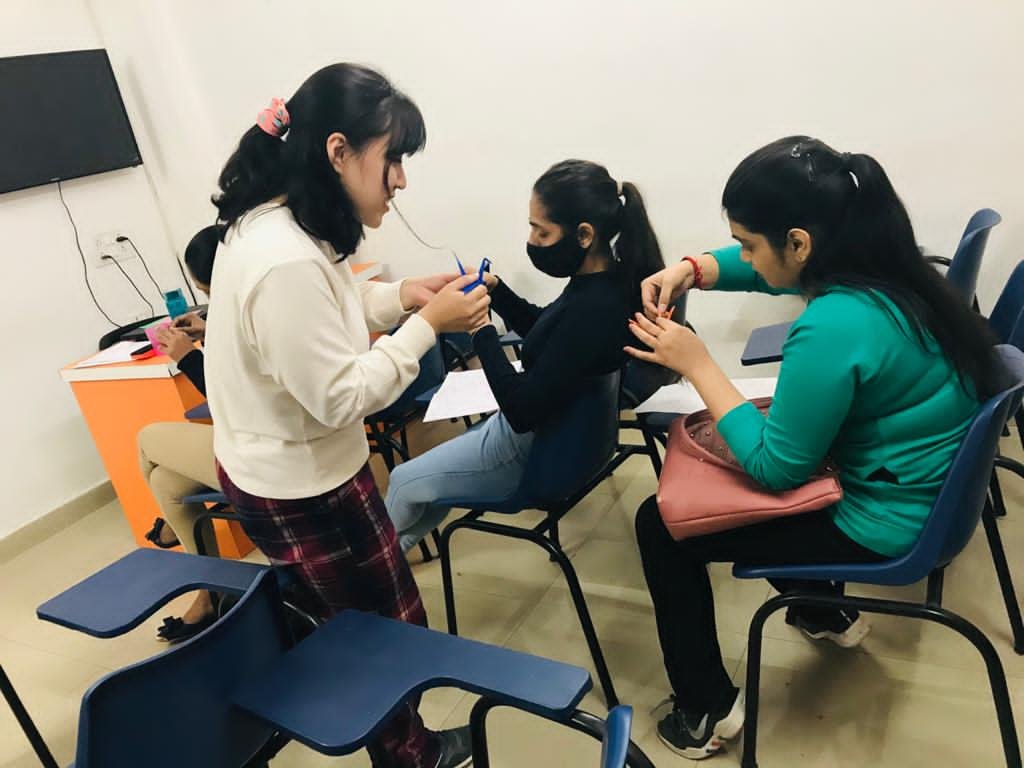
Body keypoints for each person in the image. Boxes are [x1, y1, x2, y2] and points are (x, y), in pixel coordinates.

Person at [624, 136, 1002, 760]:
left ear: (800, 243)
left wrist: (699, 367)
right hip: (919, 489)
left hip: (886, 520)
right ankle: (825, 613)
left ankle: (706, 709)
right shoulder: (891, 270)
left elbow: (778, 469)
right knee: (751, 455)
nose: (743, 255)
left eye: (747, 242)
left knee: (660, 527)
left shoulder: (832, 325)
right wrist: (693, 268)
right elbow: (768, 270)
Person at [203, 63, 489, 768]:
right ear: (338, 151)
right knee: (368, 640)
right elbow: (339, 394)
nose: (401, 180)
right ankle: (407, 755)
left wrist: (403, 299)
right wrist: (432, 327)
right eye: (391, 159)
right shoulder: (282, 257)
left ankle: (407, 742)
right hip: (298, 482)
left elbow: (326, 318)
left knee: (392, 620)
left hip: (316, 465)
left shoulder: (284, 225)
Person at [384, 159, 664, 553]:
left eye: (540, 230)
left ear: (584, 234)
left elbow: (520, 409)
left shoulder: (591, 310)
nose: (531, 239)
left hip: (527, 454)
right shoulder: (610, 283)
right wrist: (497, 292)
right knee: (423, 493)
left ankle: (368, 584)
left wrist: (480, 329)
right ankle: (386, 569)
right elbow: (549, 333)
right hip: (564, 441)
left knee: (402, 483)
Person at [137, 224, 222, 642]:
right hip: (250, 443)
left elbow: (234, 399)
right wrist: (208, 327)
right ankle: (209, 589)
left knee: (147, 437)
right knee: (165, 480)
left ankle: (173, 531)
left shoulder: (252, 317)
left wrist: (188, 357)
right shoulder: (245, 308)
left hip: (260, 455)